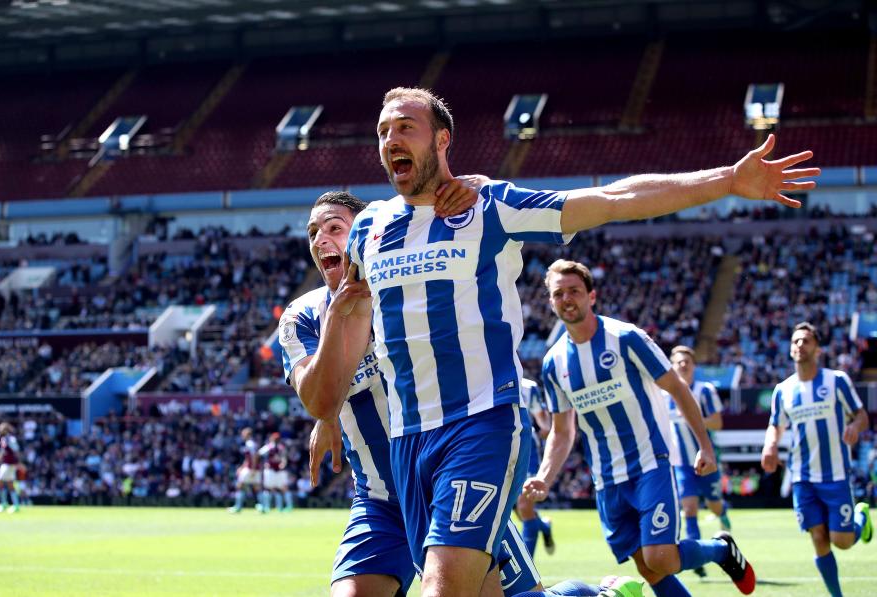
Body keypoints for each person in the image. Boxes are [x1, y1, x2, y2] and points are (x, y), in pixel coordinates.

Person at [330, 85, 815, 596]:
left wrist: (727, 179)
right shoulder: (369, 228)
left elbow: (612, 199)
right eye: (383, 131)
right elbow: (352, 320)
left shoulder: (489, 207)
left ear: (442, 140)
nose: (390, 139)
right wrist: (327, 413)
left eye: (406, 127)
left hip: (480, 423)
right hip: (408, 439)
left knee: (442, 589)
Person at [283, 188, 551, 596]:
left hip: (444, 487)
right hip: (380, 500)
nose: (321, 239)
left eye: (334, 227)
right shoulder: (302, 316)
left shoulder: (412, 292)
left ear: (364, 234)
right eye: (312, 232)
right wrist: (326, 413)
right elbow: (318, 393)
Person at [523, 259, 755, 597]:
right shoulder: (553, 363)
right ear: (550, 302)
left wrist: (704, 445)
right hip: (606, 477)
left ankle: (721, 549)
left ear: (592, 295)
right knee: (648, 568)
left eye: (574, 291)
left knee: (660, 557)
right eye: (558, 294)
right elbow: (562, 430)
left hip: (651, 462)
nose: (567, 299)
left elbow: (678, 388)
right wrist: (545, 475)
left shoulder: (626, 338)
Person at [760, 322, 872, 597]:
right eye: (796, 341)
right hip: (802, 477)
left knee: (842, 541)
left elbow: (862, 416)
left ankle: (860, 518)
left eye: (806, 341)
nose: (800, 345)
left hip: (835, 474)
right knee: (819, 538)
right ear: (790, 349)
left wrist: (854, 428)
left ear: (818, 349)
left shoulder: (837, 381)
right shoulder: (783, 390)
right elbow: (776, 424)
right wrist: (770, 446)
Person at [664, 345, 732, 577]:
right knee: (689, 508)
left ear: (693, 366)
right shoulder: (664, 395)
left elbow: (717, 422)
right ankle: (697, 559)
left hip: (707, 459)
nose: (683, 365)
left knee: (714, 504)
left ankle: (722, 513)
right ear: (672, 366)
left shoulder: (704, 391)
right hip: (681, 463)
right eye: (678, 362)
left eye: (687, 362)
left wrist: (694, 418)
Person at [516, 378, 555, 557]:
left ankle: (527, 567)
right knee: (517, 510)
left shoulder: (527, 387)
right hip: (498, 446)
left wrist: (545, 430)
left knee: (524, 505)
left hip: (526, 447)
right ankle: (543, 526)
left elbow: (545, 424)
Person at [0, 422, 22, 513]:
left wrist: (18, 462)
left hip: (9, 464)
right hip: (7, 464)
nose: (0, 431)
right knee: (9, 484)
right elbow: (2, 452)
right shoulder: (4, 439)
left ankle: (6, 503)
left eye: (1, 429)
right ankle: (13, 505)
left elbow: (16, 449)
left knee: (0, 480)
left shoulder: (10, 439)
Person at [258, 432, 291, 513]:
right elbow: (284, 458)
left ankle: (267, 507)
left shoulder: (271, 447)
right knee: (279, 489)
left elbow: (259, 453)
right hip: (276, 471)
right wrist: (283, 463)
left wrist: (265, 463)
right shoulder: (279, 447)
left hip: (272, 471)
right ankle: (284, 507)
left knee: (270, 489)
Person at [230, 427, 260, 513]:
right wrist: (242, 467)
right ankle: (261, 506)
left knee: (240, 485)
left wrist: (253, 469)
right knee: (256, 487)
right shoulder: (250, 443)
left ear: (247, 435)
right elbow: (248, 459)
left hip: (251, 469)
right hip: (251, 468)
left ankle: (238, 507)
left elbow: (254, 456)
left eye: (243, 434)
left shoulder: (250, 444)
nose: (242, 436)